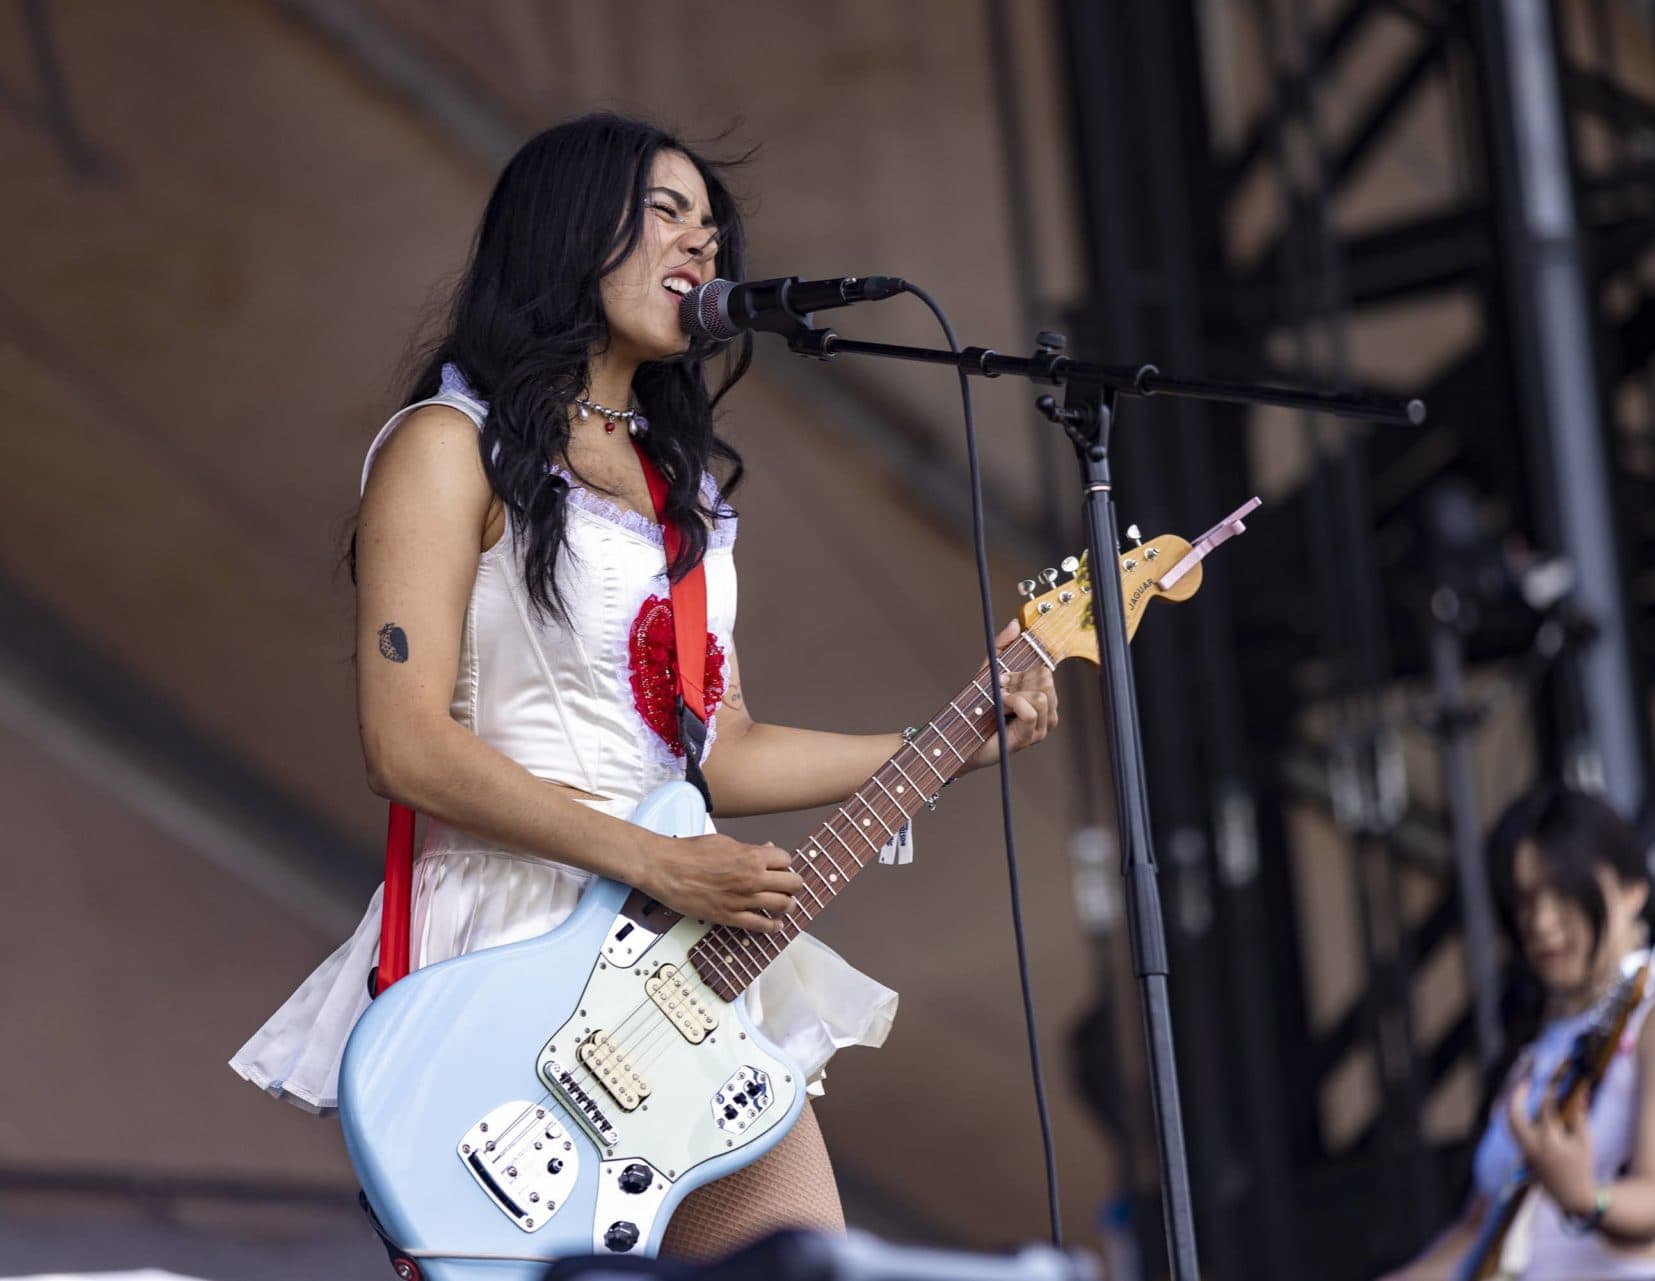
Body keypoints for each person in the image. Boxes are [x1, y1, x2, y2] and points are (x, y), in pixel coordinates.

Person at [228, 113, 1058, 1258]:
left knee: (801, 1267)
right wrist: (658, 859)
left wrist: (942, 740)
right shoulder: (445, 446)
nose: (702, 247)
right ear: (569, 229)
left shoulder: (687, 503)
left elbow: (719, 753)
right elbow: (404, 746)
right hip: (517, 940)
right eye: (666, 212)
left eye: (713, 231)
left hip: (674, 957)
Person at [1380, 784, 1655, 1281]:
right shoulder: (1539, 1043)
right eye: (1525, 900)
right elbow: (1478, 1234)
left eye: (1566, 894)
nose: (1543, 922)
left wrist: (1583, 1197)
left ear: (1632, 888)